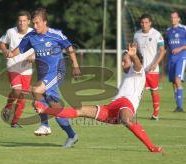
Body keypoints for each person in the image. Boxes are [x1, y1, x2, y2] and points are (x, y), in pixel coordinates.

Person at [33, 43, 162, 153]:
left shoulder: (138, 72)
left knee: (126, 119)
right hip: (112, 107)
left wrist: (133, 56)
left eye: (125, 61)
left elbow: (138, 65)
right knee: (80, 110)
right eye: (122, 61)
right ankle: (44, 110)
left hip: (126, 105)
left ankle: (152, 147)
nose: (122, 64)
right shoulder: (129, 75)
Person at [7, 8, 81, 148]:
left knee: (36, 90)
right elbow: (20, 49)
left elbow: (69, 47)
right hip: (43, 75)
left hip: (57, 71)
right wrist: (10, 54)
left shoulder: (55, 35)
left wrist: (76, 65)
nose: (34, 26)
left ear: (45, 22)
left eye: (37, 23)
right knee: (56, 108)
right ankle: (72, 135)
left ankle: (45, 125)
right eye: (33, 23)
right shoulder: (31, 36)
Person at [0, 11, 34, 128]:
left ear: (29, 22)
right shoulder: (10, 32)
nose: (22, 23)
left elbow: (41, 47)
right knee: (17, 91)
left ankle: (14, 122)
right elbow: (2, 42)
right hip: (13, 65)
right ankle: (8, 107)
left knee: (23, 96)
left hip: (27, 69)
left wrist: (35, 56)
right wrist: (5, 51)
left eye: (24, 21)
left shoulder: (34, 33)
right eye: (20, 21)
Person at [133, 14, 165, 120]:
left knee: (153, 90)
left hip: (152, 69)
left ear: (150, 23)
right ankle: (132, 112)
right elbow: (134, 50)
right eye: (142, 22)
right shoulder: (137, 34)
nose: (144, 24)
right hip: (140, 69)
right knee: (137, 91)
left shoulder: (156, 34)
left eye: (146, 22)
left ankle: (156, 114)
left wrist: (155, 63)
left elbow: (162, 51)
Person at [165, 11, 186, 112]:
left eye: (175, 17)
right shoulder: (168, 31)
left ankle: (180, 106)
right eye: (171, 17)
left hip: (181, 58)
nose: (173, 19)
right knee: (173, 82)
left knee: (177, 80)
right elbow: (167, 47)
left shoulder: (183, 29)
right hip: (171, 59)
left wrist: (180, 48)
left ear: (178, 19)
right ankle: (178, 105)